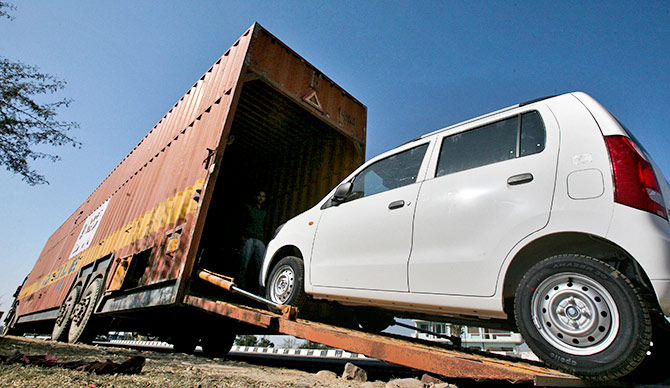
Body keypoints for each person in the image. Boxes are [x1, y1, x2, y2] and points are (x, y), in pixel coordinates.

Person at [238, 190, 267, 293]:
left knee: (261, 267)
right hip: (249, 239)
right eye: (259, 195)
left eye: (263, 196)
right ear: (255, 196)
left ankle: (261, 292)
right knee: (244, 265)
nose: (260, 198)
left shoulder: (265, 212)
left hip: (260, 240)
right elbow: (241, 222)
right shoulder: (248, 208)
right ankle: (240, 289)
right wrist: (242, 236)